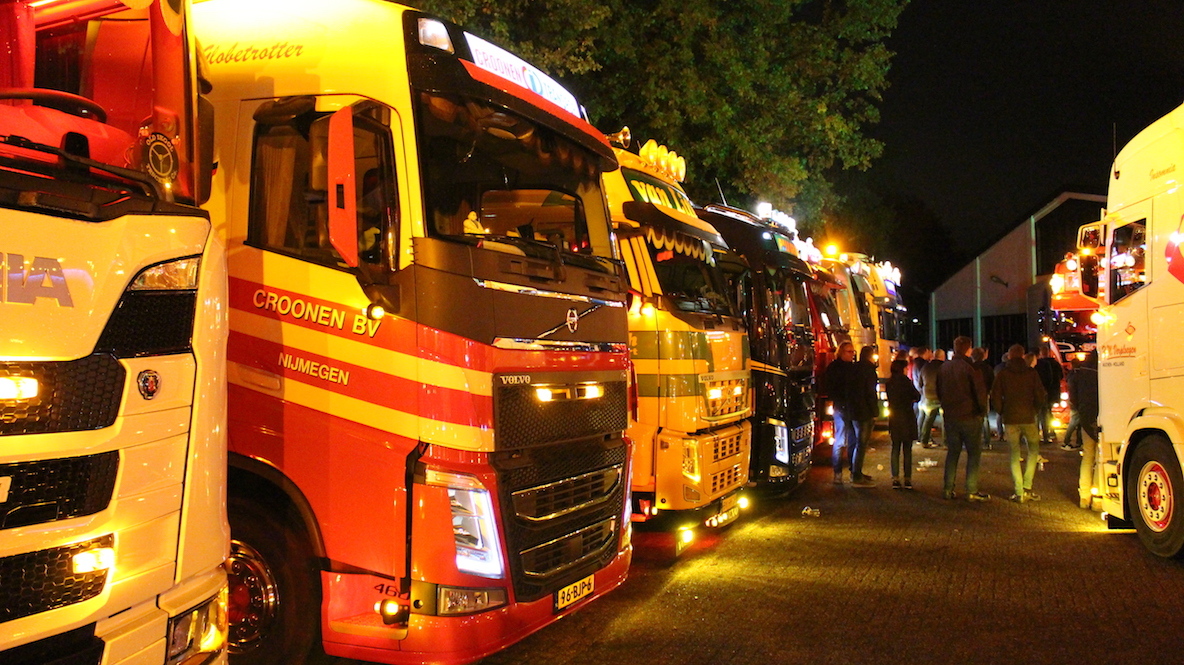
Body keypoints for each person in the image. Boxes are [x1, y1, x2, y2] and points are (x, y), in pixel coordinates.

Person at [990, 344, 1047, 503]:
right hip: (1028, 417)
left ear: (1009, 356)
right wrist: (1034, 410)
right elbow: (1040, 395)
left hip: (1011, 418)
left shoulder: (1003, 374)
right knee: (1033, 451)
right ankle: (1027, 487)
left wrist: (1002, 411)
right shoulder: (1031, 373)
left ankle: (1019, 490)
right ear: (1023, 356)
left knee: (1014, 454)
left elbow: (995, 396)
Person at [937, 336, 990, 501]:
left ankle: (948, 489)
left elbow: (939, 391)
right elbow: (979, 393)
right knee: (973, 454)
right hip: (969, 416)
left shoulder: (944, 367)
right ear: (968, 349)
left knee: (953, 453)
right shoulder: (971, 368)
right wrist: (981, 412)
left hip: (951, 417)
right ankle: (971, 490)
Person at [823, 341, 859, 485]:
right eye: (849, 352)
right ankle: (838, 472)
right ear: (841, 352)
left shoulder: (852, 368)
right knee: (840, 440)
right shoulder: (835, 368)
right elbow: (829, 386)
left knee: (852, 440)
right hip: (841, 407)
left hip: (851, 407)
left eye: (853, 352)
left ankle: (852, 470)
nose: (852, 354)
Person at [1071, 351, 1100, 508]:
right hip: (1102, 417)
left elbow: (1073, 396)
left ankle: (1084, 496)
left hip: (1086, 417)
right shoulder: (1103, 370)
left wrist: (1081, 410)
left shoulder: (1080, 373)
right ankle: (1098, 499)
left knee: (1087, 456)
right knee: (1100, 458)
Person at [887, 358, 920, 489]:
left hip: (895, 418)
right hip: (907, 418)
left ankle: (895, 478)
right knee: (907, 450)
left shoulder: (889, 383)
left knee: (895, 449)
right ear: (902, 369)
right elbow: (917, 396)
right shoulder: (907, 382)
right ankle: (907, 479)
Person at [850, 346, 880, 486]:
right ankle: (857, 475)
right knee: (862, 444)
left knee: (858, 443)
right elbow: (870, 393)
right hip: (865, 411)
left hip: (854, 410)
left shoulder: (854, 368)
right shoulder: (869, 371)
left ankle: (857, 472)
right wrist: (875, 411)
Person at [1034, 346, 1064, 444]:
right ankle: (1049, 432)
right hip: (1053, 391)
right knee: (1047, 412)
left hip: (1042, 392)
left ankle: (1038, 434)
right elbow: (1061, 376)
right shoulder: (1055, 364)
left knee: (1040, 414)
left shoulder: (1038, 364)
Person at [918, 348, 943, 448]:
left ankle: (924, 440)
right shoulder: (943, 367)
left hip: (927, 396)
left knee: (928, 419)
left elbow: (920, 383)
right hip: (940, 396)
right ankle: (946, 443)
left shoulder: (925, 367)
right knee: (945, 420)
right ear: (942, 357)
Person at [972, 347, 995, 444]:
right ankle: (987, 441)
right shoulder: (987, 368)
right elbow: (992, 382)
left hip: (971, 395)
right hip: (984, 395)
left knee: (973, 418)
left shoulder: (970, 367)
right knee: (985, 418)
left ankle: (974, 440)